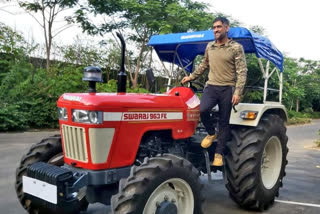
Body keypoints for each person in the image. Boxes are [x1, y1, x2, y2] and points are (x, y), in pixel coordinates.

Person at [181, 17, 247, 166]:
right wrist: (190, 77)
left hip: (227, 88)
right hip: (211, 86)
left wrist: (237, 92)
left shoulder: (236, 48)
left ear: (226, 28)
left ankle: (218, 154)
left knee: (224, 122)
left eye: (219, 27)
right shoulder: (210, 46)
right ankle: (211, 133)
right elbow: (204, 65)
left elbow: (242, 71)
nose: (216, 30)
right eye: (214, 27)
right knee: (202, 110)